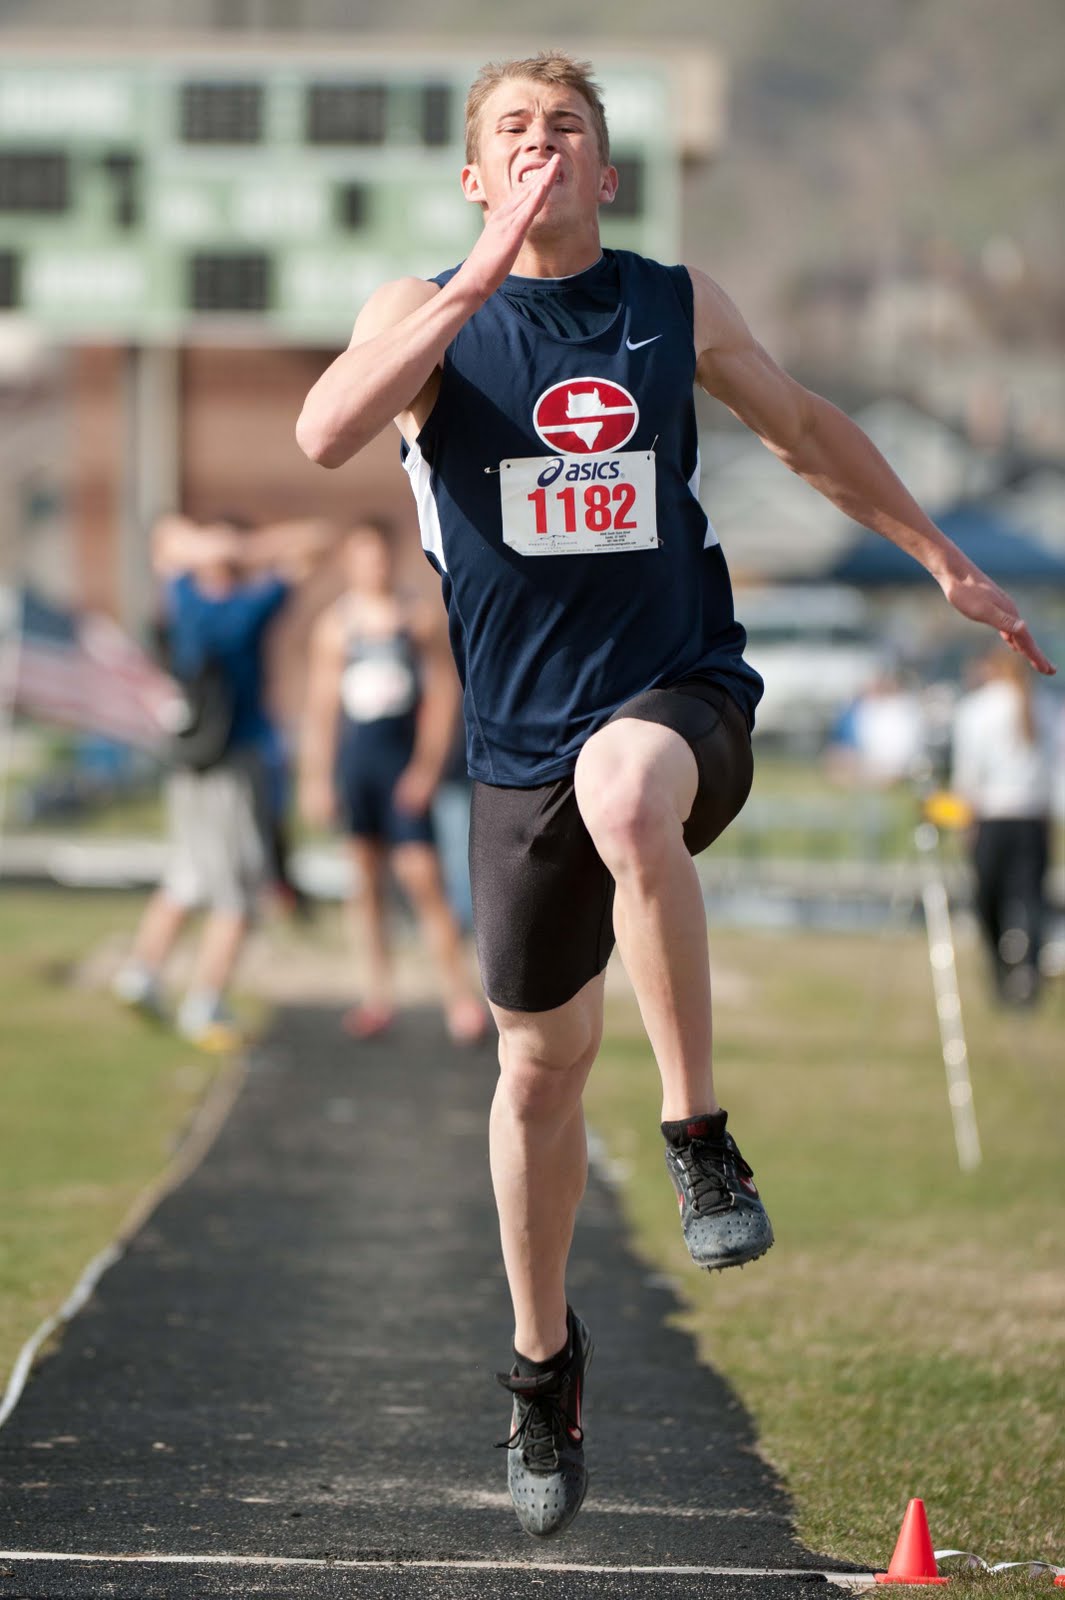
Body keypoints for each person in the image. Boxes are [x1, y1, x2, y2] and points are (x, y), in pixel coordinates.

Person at [295, 51, 1056, 1537]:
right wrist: (478, 277)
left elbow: (808, 434)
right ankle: (538, 1364)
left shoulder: (669, 301)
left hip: (679, 694)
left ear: (607, 170)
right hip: (514, 746)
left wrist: (939, 557)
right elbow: (326, 432)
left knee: (630, 787)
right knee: (535, 1070)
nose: (539, 148)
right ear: (471, 174)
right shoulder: (420, 315)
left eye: (564, 129)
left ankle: (701, 1137)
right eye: (510, 132)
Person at [113, 512, 331, 1050]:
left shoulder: (183, 596)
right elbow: (316, 540)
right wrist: (244, 550)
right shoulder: (248, 607)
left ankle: (141, 974)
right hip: (233, 764)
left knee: (187, 875)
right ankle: (204, 1004)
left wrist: (222, 548)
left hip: (190, 763)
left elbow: (165, 542)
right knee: (237, 895)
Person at [299, 518, 487, 1043]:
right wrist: (316, 779)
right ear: (349, 563)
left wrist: (426, 769)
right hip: (357, 766)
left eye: (380, 556)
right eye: (362, 557)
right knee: (364, 884)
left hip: (402, 766)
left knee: (424, 881)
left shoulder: (417, 617)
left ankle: (459, 1000)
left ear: (392, 558)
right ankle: (376, 997)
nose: (373, 566)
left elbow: (444, 699)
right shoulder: (336, 626)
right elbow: (319, 710)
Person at [951, 647, 1057, 1007]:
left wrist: (965, 820)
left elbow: (968, 772)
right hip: (1032, 817)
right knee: (1030, 900)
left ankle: (1000, 970)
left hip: (992, 817)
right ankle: (1027, 972)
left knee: (989, 900)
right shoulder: (1046, 706)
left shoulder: (977, 709)